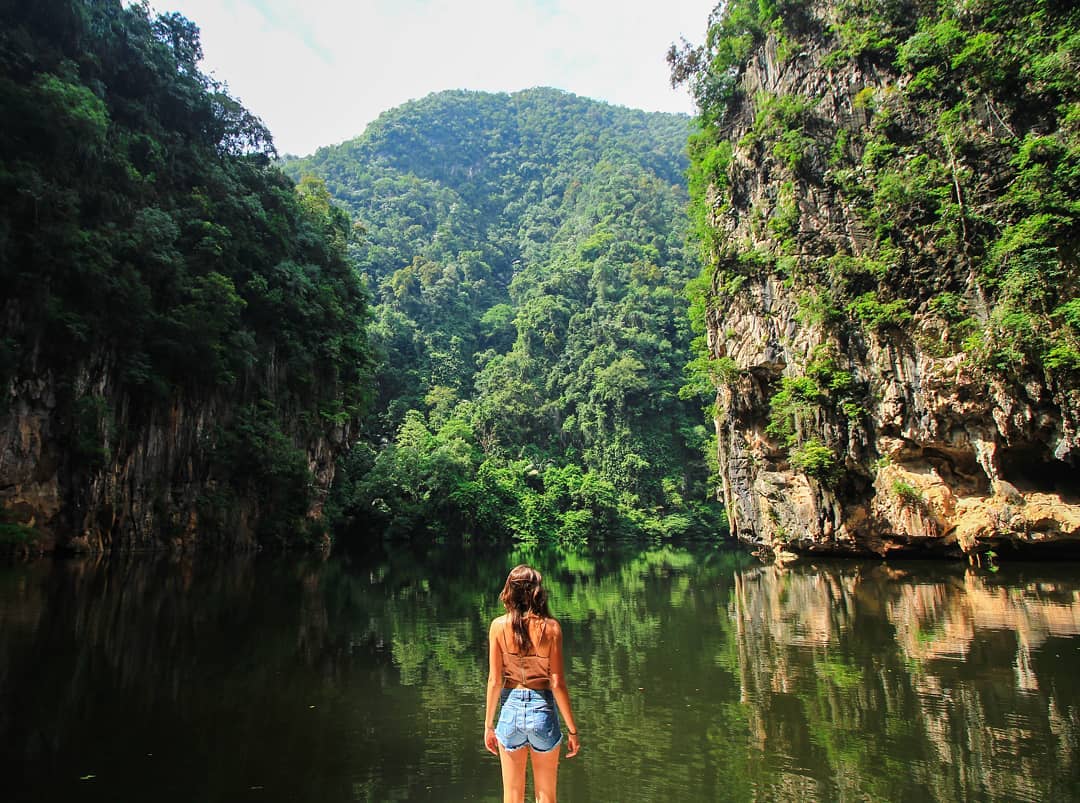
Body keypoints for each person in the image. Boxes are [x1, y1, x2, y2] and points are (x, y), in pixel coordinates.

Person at [484, 564, 579, 803]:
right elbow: (557, 683)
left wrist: (488, 726)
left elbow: (495, 680)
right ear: (537, 592)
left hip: (510, 712)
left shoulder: (498, 627)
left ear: (509, 591)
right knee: (546, 797)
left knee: (512, 797)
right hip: (542, 712)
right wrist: (572, 730)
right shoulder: (551, 628)